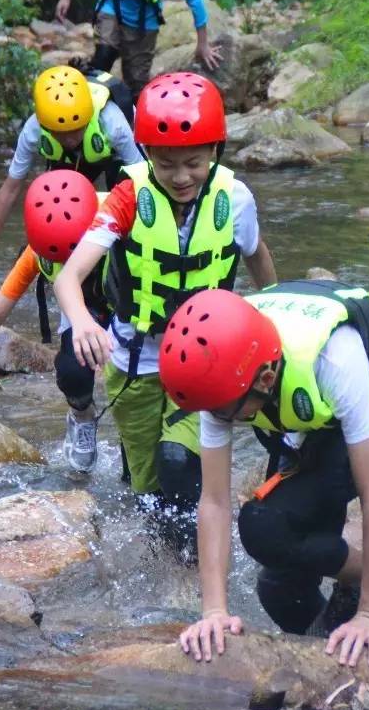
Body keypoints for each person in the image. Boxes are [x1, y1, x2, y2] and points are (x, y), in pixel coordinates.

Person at [53, 71, 276, 555]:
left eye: (194, 163)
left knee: (179, 463)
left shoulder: (234, 199)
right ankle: (164, 564)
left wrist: (276, 316)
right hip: (136, 359)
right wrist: (85, 323)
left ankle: (189, 568)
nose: (180, 177)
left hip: (205, 359)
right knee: (146, 487)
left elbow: (257, 257)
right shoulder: (127, 197)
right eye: (166, 162)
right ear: (146, 153)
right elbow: (67, 278)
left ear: (215, 151)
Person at [158, 281, 369, 668]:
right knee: (279, 588)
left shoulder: (335, 359)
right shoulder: (220, 368)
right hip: (308, 423)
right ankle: (320, 657)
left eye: (223, 412)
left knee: (264, 527)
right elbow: (214, 499)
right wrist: (213, 612)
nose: (217, 419)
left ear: (265, 380)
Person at [0, 170, 111, 473]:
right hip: (79, 303)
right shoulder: (36, 253)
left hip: (132, 296)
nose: (71, 266)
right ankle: (82, 416)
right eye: (62, 260)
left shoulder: (120, 217)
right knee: (71, 372)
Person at [0, 66, 143, 282]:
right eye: (61, 133)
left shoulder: (113, 122)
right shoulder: (34, 128)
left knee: (122, 203)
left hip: (113, 154)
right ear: (46, 126)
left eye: (76, 130)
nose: (70, 139)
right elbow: (10, 189)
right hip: (70, 159)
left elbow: (144, 181)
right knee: (56, 205)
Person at [53, 0, 221, 98]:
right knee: (105, 55)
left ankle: (129, 121)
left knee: (137, 85)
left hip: (145, 18)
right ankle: (83, 103)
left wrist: (202, 43)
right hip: (113, 4)